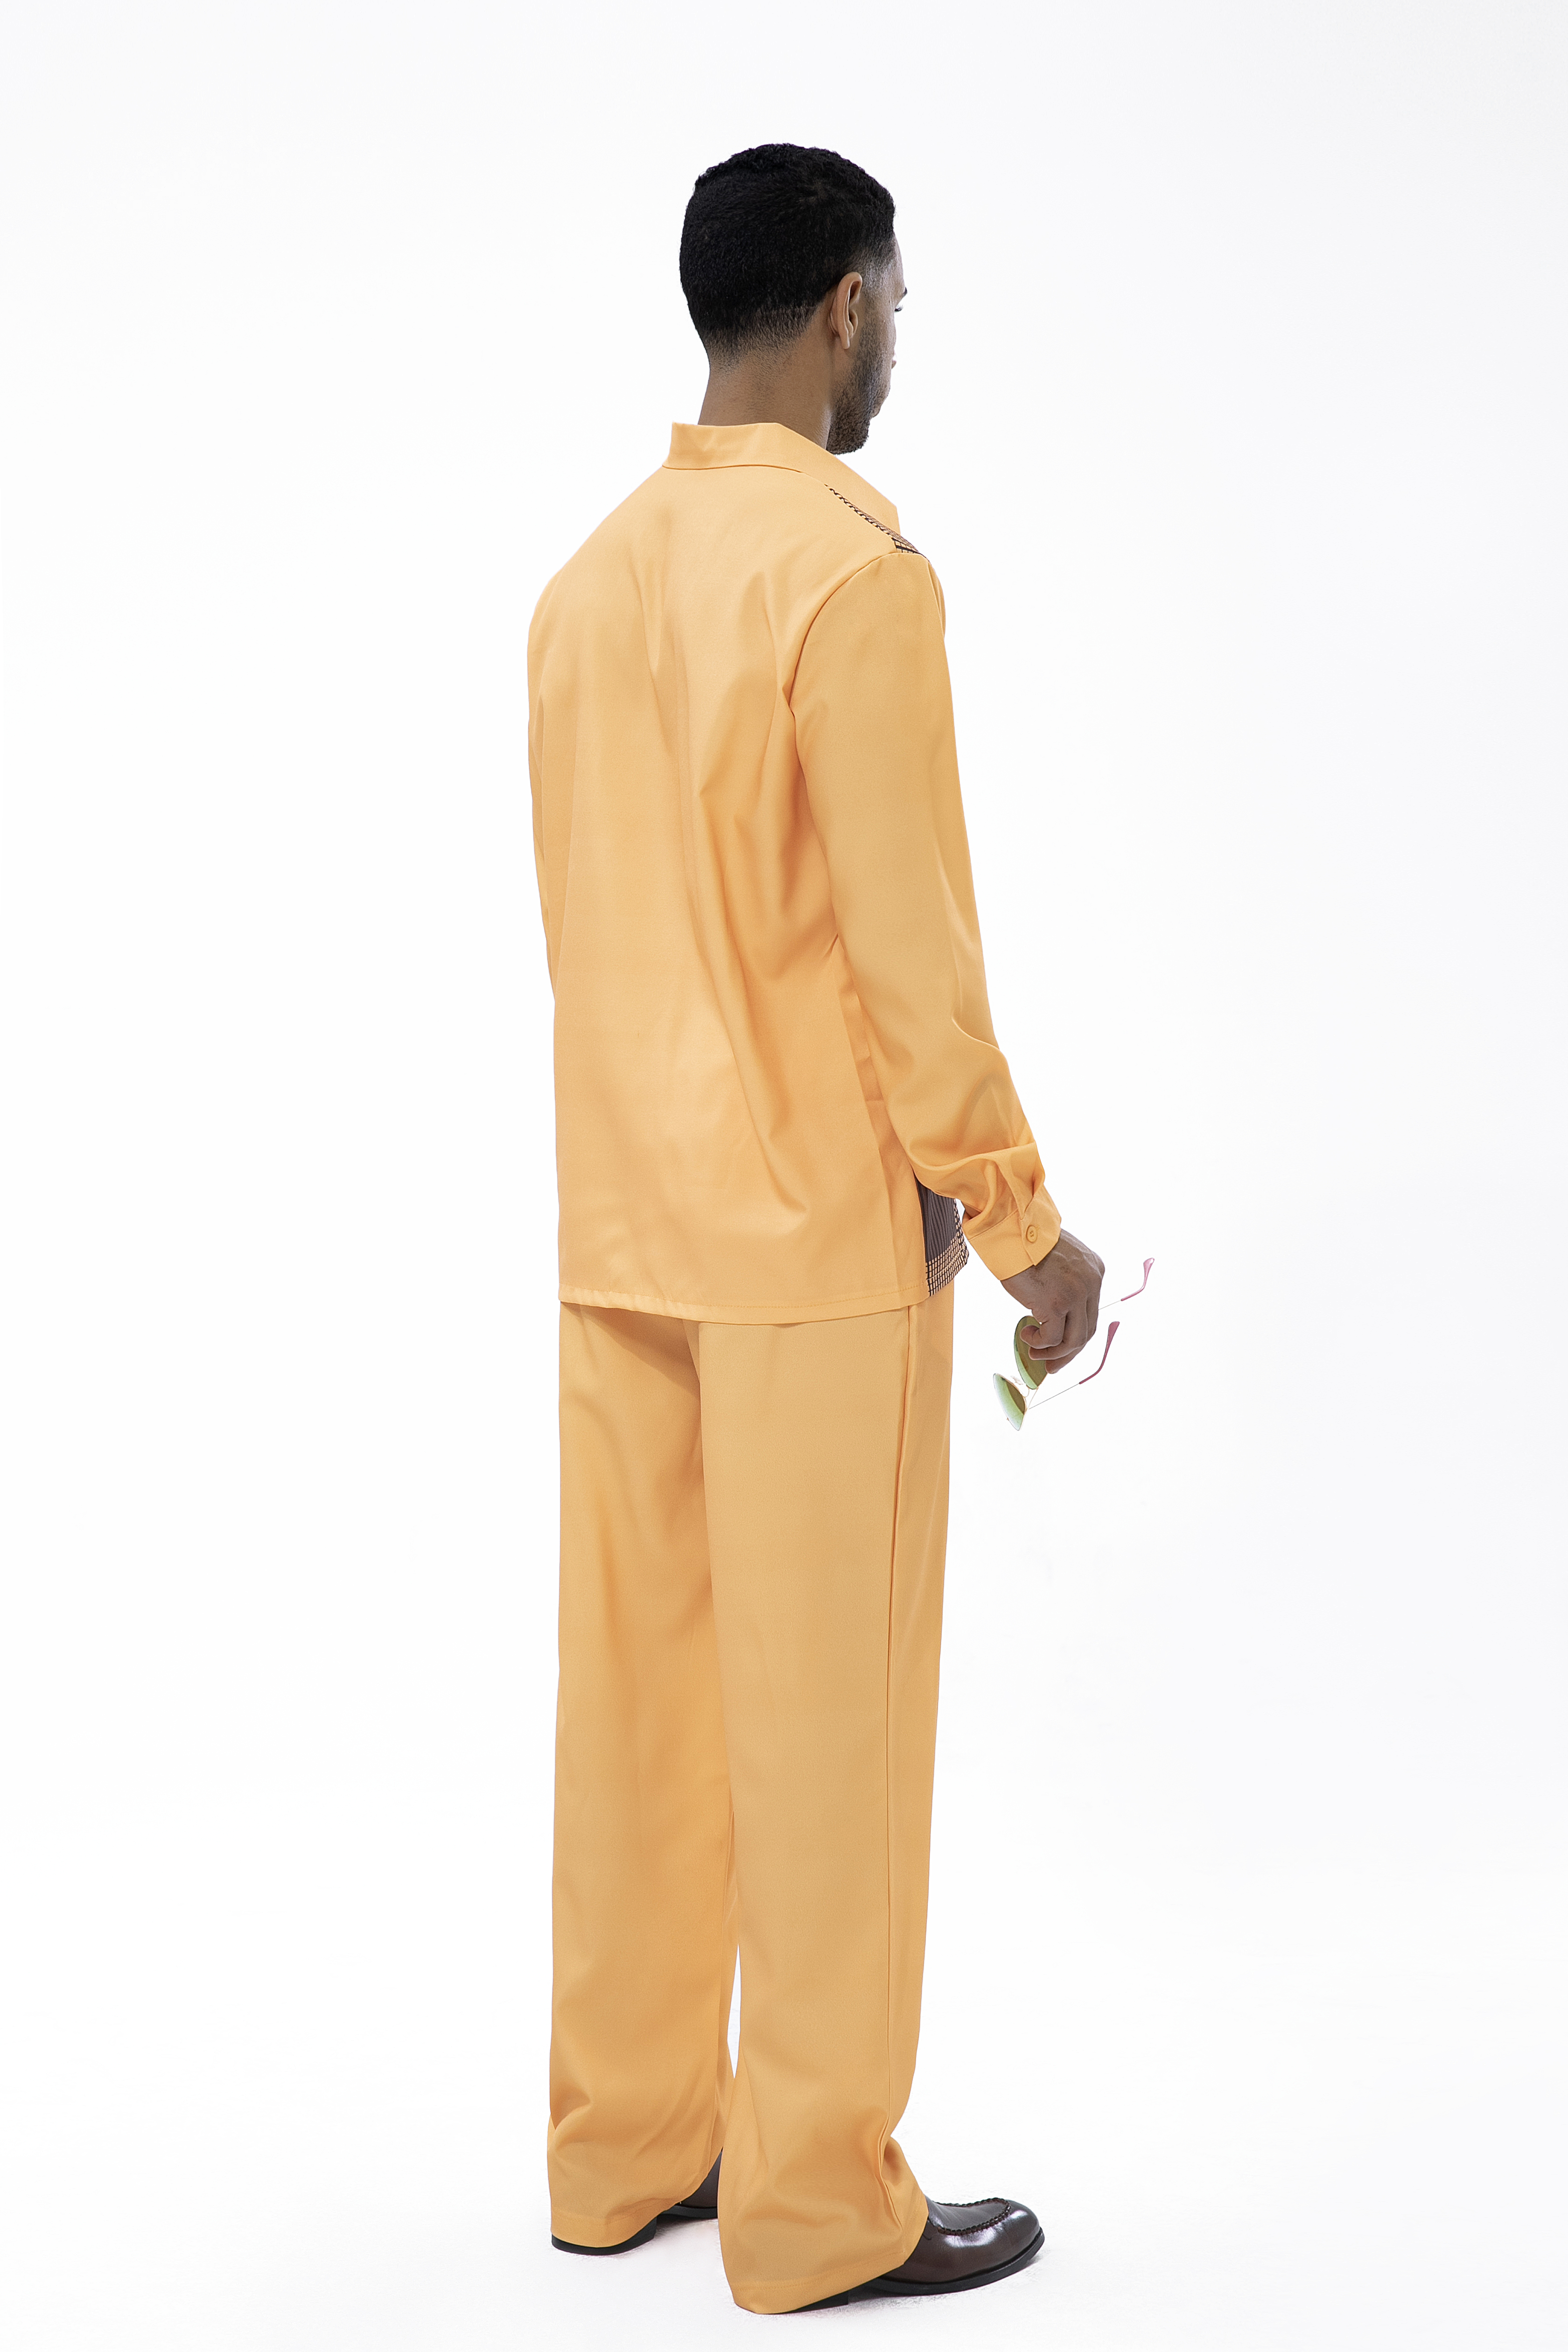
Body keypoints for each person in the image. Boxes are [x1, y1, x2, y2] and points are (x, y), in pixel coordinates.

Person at [526, 141, 1104, 2316]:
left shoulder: (585, 588)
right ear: (846, 302)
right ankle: (816, 2209)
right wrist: (1023, 1227)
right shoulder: (854, 581)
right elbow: (906, 959)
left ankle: (624, 2151)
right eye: (898, 306)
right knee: (827, 1735)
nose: (895, 347)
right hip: (810, 1256)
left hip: (620, 1234)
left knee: (639, 1723)